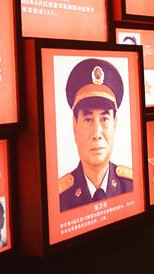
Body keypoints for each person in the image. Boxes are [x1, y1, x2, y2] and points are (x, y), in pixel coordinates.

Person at [59, 58, 133, 212]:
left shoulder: (132, 186)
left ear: (115, 124)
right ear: (75, 126)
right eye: (88, 120)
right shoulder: (59, 198)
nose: (97, 133)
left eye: (104, 119)